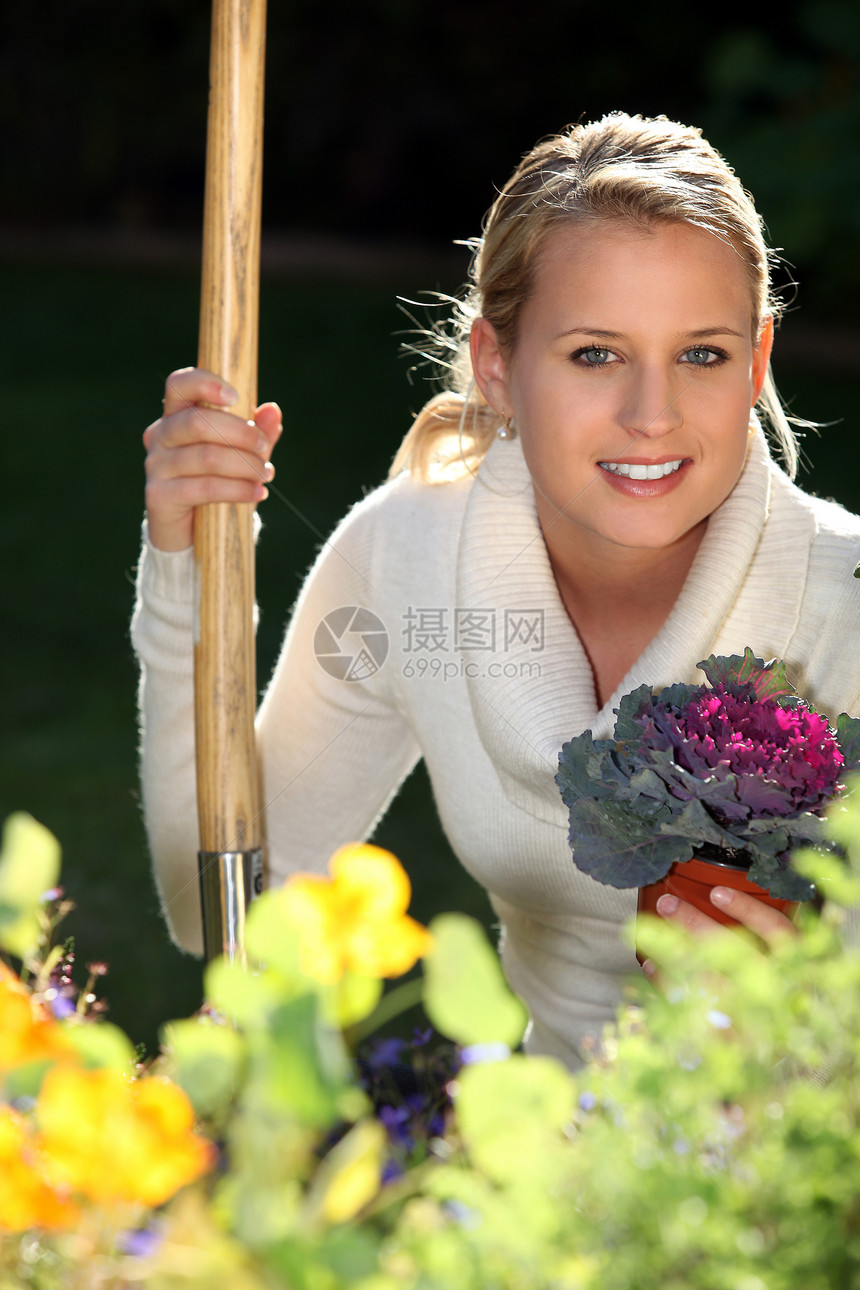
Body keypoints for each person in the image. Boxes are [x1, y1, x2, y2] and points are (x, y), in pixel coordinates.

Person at [133, 112, 860, 1070]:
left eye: (702, 354)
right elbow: (224, 908)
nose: (653, 416)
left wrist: (812, 983)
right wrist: (190, 567)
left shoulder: (840, 603)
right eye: (595, 353)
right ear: (497, 367)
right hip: (537, 1181)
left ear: (758, 361)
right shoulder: (411, 558)